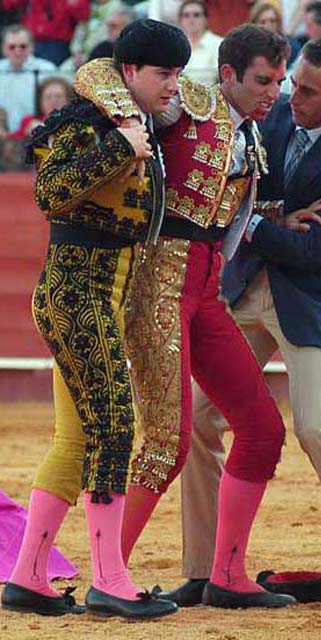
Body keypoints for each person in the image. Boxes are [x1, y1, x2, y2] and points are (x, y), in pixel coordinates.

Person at [153, 37, 321, 608]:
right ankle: (206, 566)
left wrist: (257, 222)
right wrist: (274, 216)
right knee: (201, 418)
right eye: (291, 83)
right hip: (244, 292)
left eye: (308, 91)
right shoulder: (273, 116)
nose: (291, 97)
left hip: (307, 302)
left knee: (315, 425)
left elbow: (319, 250)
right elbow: (233, 197)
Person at [74, 23, 296, 610]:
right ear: (226, 76)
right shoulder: (188, 101)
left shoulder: (252, 135)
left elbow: (227, 214)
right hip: (158, 287)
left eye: (279, 80)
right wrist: (126, 122)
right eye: (261, 80)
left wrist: (274, 222)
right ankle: (107, 578)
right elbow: (97, 71)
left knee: (262, 429)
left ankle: (227, 575)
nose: (273, 91)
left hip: (206, 290)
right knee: (165, 443)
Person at [1, 18, 191, 620]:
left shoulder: (140, 126)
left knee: (76, 437)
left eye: (179, 74)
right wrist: (118, 148)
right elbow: (49, 191)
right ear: (129, 71)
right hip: (75, 295)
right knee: (114, 424)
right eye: (163, 73)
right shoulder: (88, 122)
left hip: (99, 298)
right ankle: (110, 579)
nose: (173, 86)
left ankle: (28, 576)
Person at [0, 25, 56, 133]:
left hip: (38, 132)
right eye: (12, 47)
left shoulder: (47, 69)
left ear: (32, 47)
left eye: (23, 46)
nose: (17, 51)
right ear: (4, 49)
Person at [11, 76, 73, 141]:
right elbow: (11, 140)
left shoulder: (76, 122)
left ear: (68, 100)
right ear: (41, 101)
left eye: (58, 96)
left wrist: (43, 129)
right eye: (48, 97)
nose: (53, 101)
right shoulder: (28, 122)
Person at [178, 0, 222, 86]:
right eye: (186, 15)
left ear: (206, 19)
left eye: (196, 15)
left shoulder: (218, 43)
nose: (191, 20)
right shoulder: (175, 45)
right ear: (180, 20)